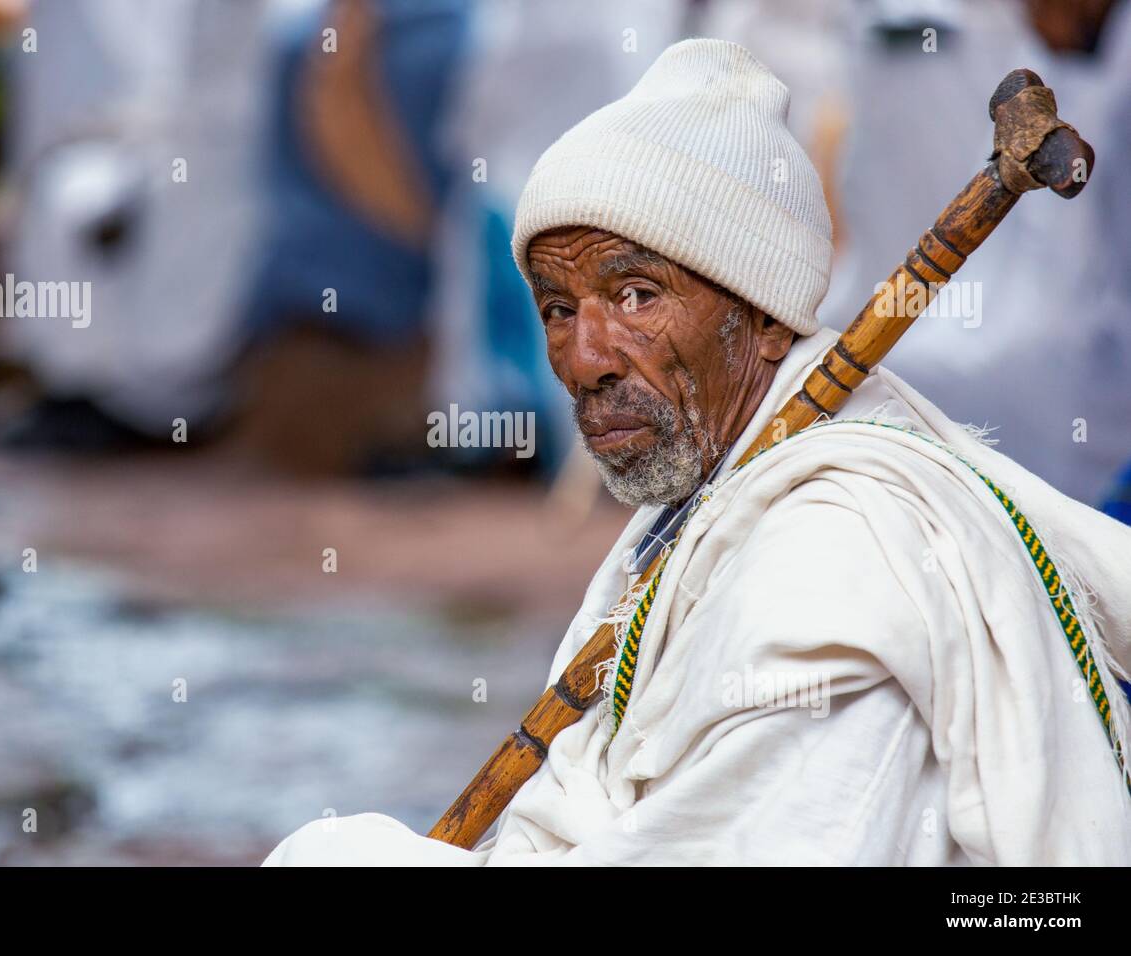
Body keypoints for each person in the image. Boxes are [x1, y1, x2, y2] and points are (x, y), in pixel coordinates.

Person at [264, 39, 1131, 865]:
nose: (585, 358)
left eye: (636, 294)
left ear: (758, 320)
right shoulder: (701, 513)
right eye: (558, 309)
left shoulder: (836, 560)